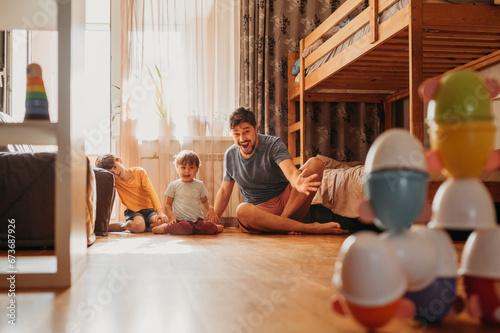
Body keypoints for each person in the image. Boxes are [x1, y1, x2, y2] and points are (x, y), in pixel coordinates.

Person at [213, 107, 344, 235]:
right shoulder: (230, 155)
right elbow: (225, 191)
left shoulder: (273, 144)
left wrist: (297, 182)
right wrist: (213, 220)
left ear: (255, 128)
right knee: (242, 210)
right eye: (236, 134)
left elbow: (291, 172)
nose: (242, 139)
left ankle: (283, 223)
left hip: (288, 206)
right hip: (259, 213)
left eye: (246, 132)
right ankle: (308, 228)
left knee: (316, 163)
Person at [151, 150, 224, 235]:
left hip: (197, 220)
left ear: (197, 169)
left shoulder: (199, 184)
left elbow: (205, 201)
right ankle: (165, 227)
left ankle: (209, 228)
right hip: (181, 220)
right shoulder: (174, 185)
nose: (187, 171)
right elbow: (168, 204)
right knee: (185, 228)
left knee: (207, 227)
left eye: (191, 168)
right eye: (183, 167)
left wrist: (210, 209)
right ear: (177, 168)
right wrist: (171, 216)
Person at [95, 154, 168, 233]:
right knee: (139, 225)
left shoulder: (140, 172)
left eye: (115, 167)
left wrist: (160, 212)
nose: (116, 173)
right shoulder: (115, 181)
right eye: (112, 173)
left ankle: (139, 226)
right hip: (134, 212)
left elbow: (151, 192)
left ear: (119, 160)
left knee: (161, 222)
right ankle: (125, 226)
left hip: (150, 210)